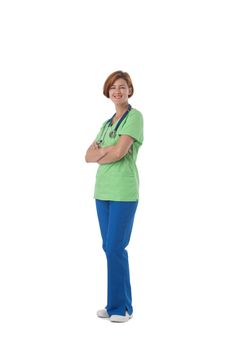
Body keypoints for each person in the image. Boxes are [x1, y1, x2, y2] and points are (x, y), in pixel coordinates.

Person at [85, 70, 143, 323]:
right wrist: (103, 152)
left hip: (123, 192)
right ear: (107, 93)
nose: (117, 91)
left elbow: (120, 153)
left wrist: (103, 152)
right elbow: (87, 156)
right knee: (109, 248)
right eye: (112, 88)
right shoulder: (107, 124)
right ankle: (114, 305)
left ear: (129, 90)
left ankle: (122, 309)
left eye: (122, 87)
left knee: (115, 247)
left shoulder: (135, 117)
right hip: (102, 192)